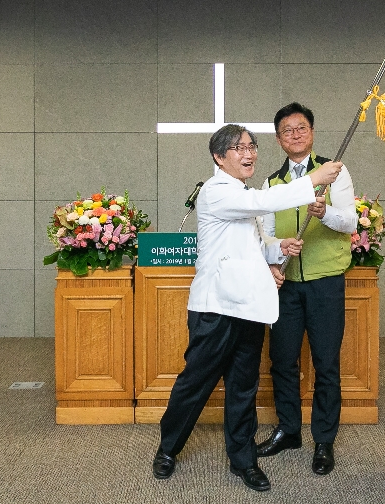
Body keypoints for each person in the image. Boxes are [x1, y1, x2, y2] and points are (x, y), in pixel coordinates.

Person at [152, 124, 343, 493]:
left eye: (251, 146)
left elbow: (252, 245)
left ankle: (243, 460)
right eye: (238, 148)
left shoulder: (241, 193)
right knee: (196, 384)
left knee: (243, 389)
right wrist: (313, 178)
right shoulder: (216, 191)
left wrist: (277, 248)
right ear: (218, 157)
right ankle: (168, 448)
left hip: (249, 308)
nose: (249, 153)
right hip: (216, 307)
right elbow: (262, 202)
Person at [256, 102, 356, 476]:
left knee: (326, 363)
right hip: (285, 284)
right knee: (282, 360)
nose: (294, 135)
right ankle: (289, 430)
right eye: (287, 130)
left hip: (325, 281)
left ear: (311, 133)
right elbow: (263, 233)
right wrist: (272, 259)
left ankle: (325, 440)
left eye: (301, 128)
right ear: (279, 139)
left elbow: (349, 222)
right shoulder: (272, 183)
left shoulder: (334, 173)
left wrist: (324, 213)